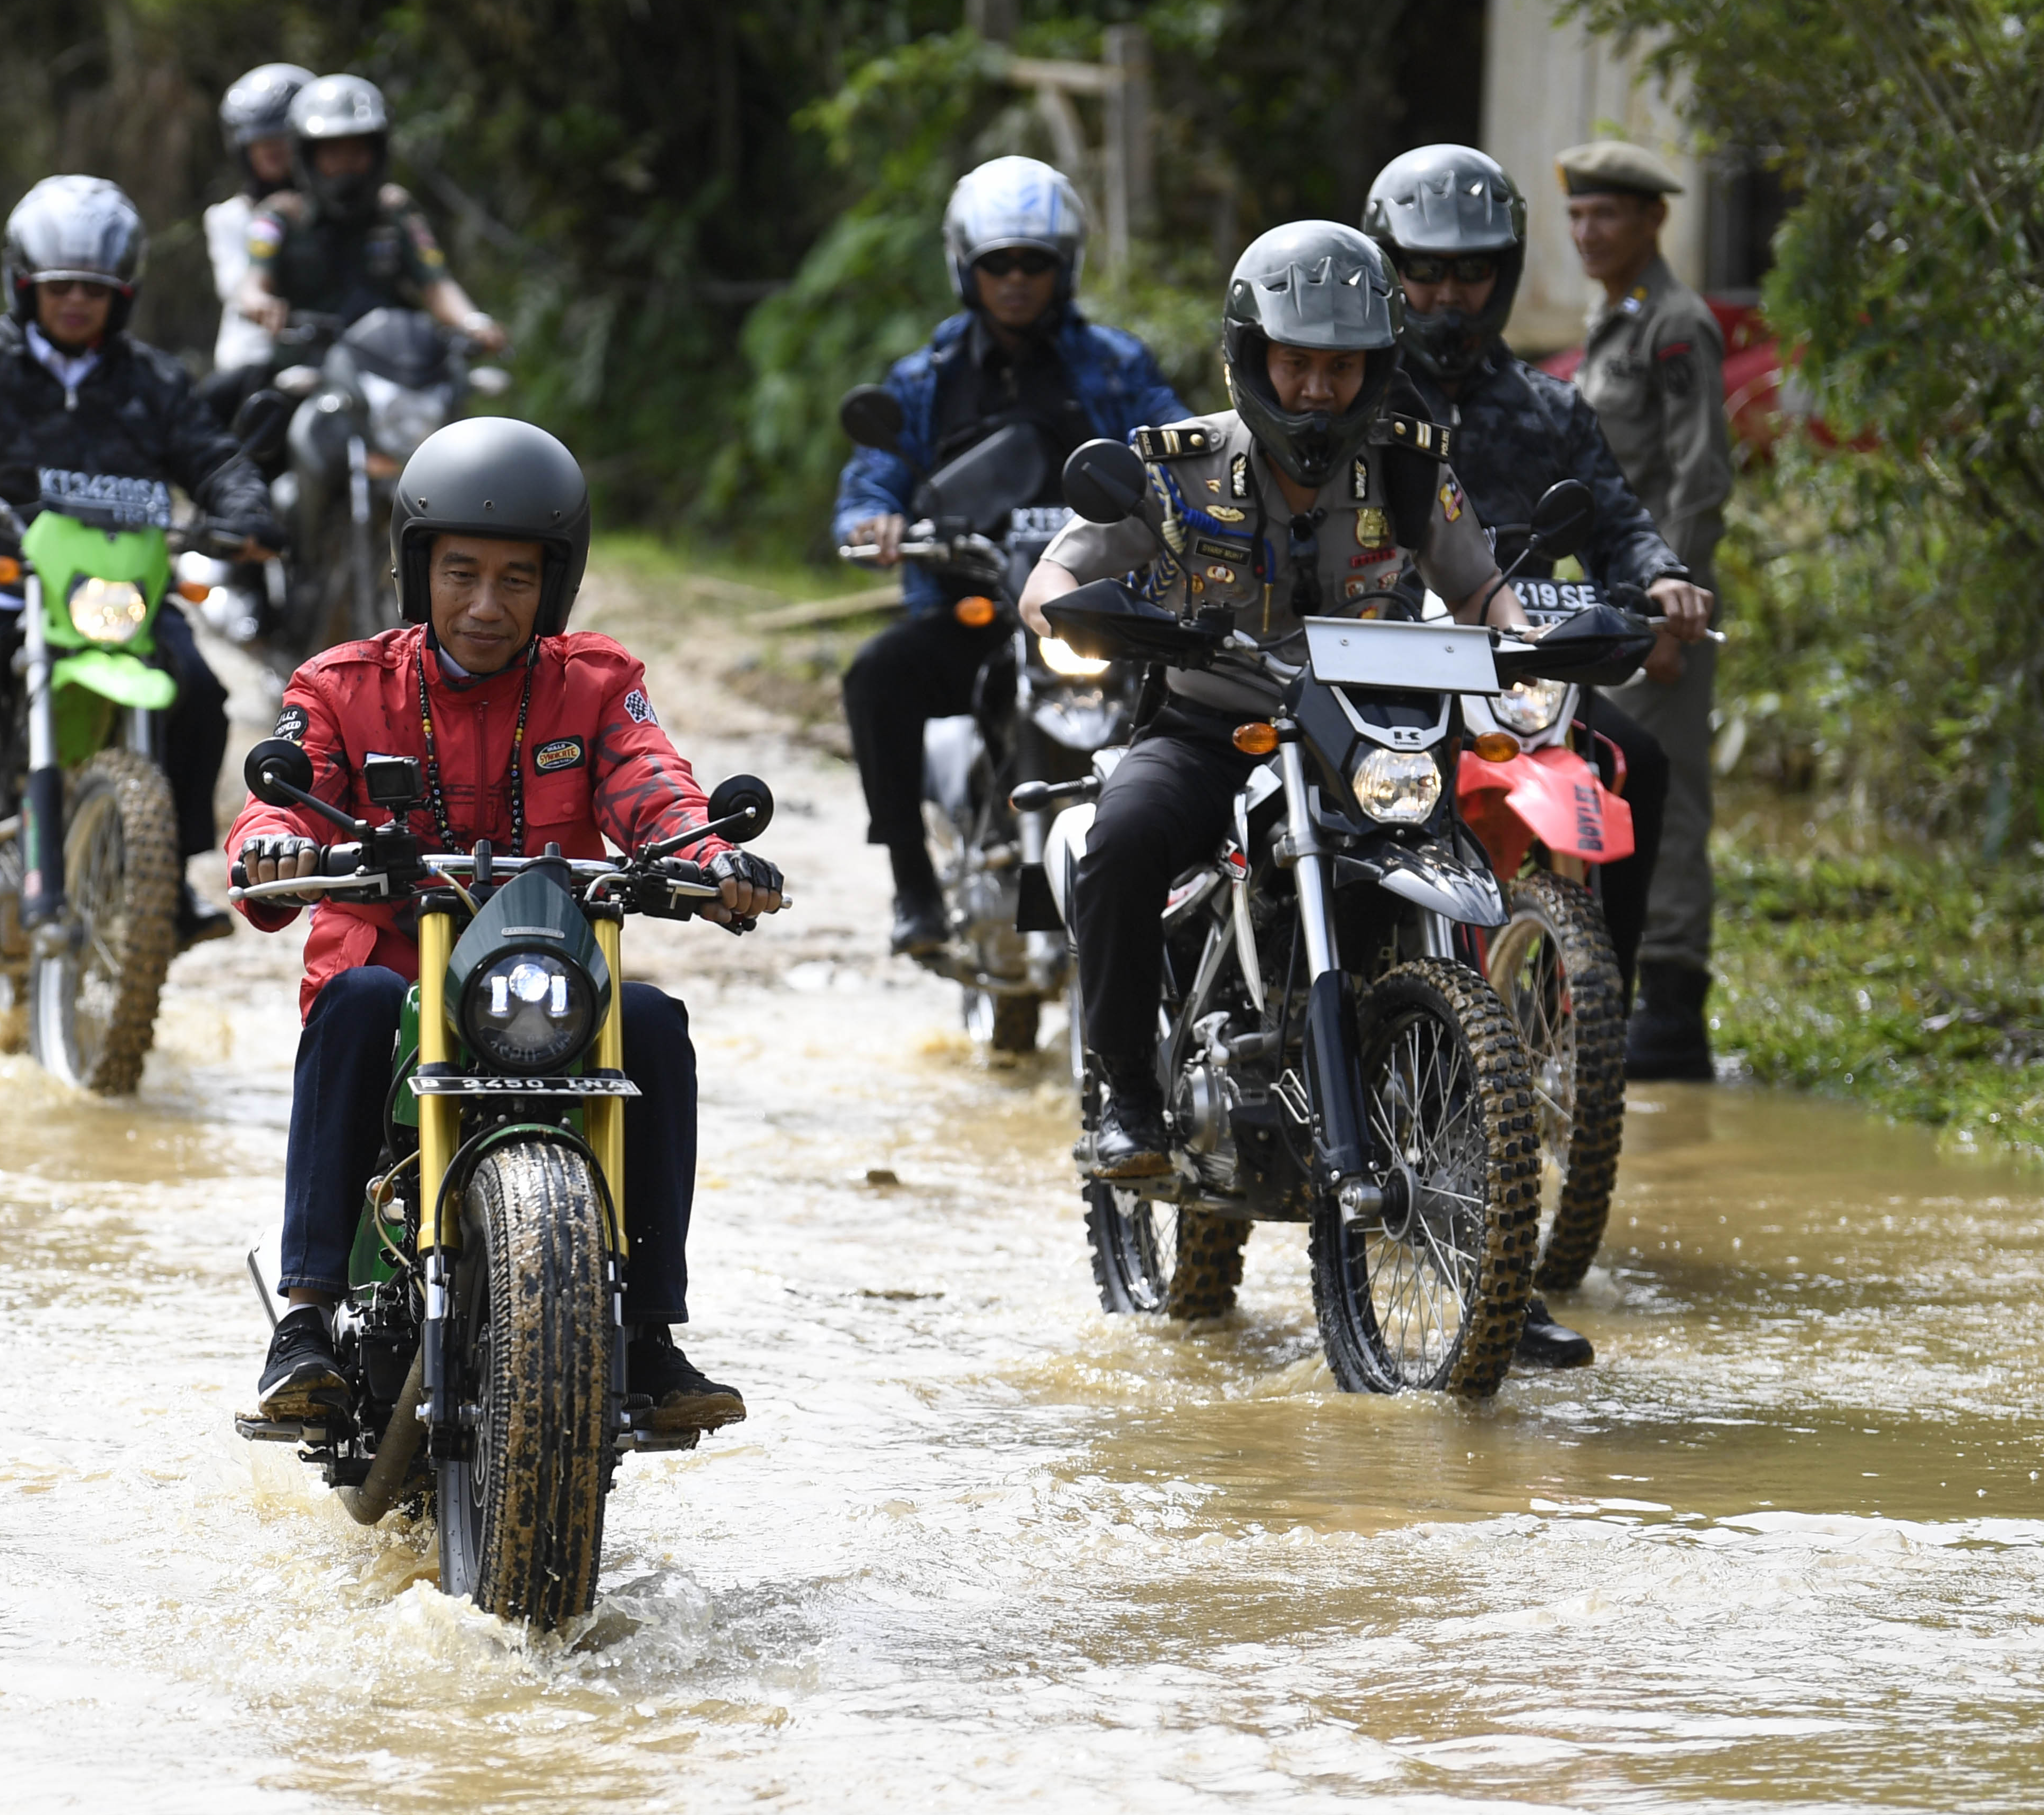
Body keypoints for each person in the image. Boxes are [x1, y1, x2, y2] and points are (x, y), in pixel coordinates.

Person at [227, 415, 782, 1431]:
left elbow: (656, 791)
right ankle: (303, 1318)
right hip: (397, 978)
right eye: (461, 573)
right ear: (417, 568)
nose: (486, 606)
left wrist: (714, 857)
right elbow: (284, 796)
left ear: (553, 584)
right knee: (354, 1002)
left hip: (546, 981)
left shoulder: (598, 684)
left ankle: (651, 1334)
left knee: (654, 1021)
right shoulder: (342, 686)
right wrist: (273, 844)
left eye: (516, 580)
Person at [1017, 221, 1529, 1180]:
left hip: (1369, 739)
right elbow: (1054, 575)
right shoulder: (1176, 466)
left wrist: (1519, 634)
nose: (1315, 391)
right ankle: (1127, 1094)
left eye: (1340, 370)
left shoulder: (1410, 466)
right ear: (1250, 358)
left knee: (1453, 876)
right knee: (1119, 841)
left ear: (1374, 371)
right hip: (1212, 730)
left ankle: (1488, 1214)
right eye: (1294, 364)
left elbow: (1477, 586)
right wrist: (1066, 617)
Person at [0, 175, 264, 951]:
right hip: (3, 587)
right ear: (23, 286)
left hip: (124, 595)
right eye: (59, 287)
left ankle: (166, 878)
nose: (77, 302)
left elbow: (216, 459)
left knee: (202, 694)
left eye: (95, 289)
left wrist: (244, 510)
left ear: (124, 293)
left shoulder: (154, 380)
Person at [1364, 145, 1711, 982]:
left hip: (1518, 673)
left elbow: (1617, 516)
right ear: (1387, 269)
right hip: (1375, 673)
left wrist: (1660, 575)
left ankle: (1589, 1010)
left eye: (1473, 273)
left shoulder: (1549, 407)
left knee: (1639, 764)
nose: (1450, 296)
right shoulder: (1352, 399)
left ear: (1507, 272)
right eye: (1425, 272)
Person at [833, 156, 1193, 955]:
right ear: (969, 266)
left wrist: (1199, 488)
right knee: (877, 676)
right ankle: (914, 887)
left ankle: (1199, 906)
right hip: (973, 615)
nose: (1018, 280)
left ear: (1064, 266)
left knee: (1210, 698)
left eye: (1036, 262)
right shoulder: (927, 379)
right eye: (1000, 264)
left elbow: (1179, 444)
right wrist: (873, 524)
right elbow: (871, 485)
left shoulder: (1115, 365)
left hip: (1101, 613)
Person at [1556, 140, 1733, 1081]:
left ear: (1652, 220)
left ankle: (1670, 1013)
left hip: (1663, 603)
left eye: (1607, 215)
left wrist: (1672, 615)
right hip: (1606, 605)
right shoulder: (1613, 321)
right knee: (1604, 783)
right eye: (1577, 215)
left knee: (1664, 792)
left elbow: (1698, 480)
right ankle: (1608, 994)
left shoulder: (1675, 324)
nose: (1587, 232)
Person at [232, 73, 505, 359]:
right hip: (309, 367)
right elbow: (254, 282)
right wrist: (258, 302)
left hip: (394, 362)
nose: (347, 163)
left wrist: (474, 323)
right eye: (334, 151)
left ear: (377, 152)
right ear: (308, 156)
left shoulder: (395, 211)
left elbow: (436, 284)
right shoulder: (280, 217)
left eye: (358, 149)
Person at [196, 61, 312, 420]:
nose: (271, 150)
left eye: (280, 139)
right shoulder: (229, 217)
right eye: (260, 141)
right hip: (258, 360)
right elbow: (237, 287)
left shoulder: (340, 213)